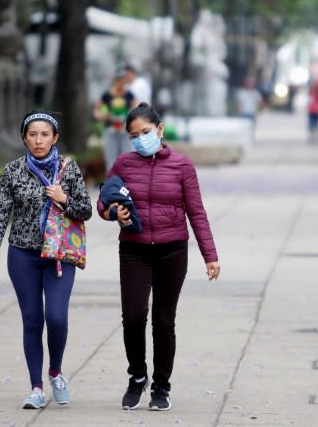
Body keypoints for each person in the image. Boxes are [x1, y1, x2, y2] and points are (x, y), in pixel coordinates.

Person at [97, 102, 221, 412]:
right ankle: (137, 376)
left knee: (164, 322)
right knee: (134, 317)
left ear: (160, 130)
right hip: (134, 249)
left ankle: (161, 387)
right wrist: (113, 211)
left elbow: (196, 212)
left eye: (146, 132)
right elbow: (102, 202)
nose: (140, 139)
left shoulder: (182, 166)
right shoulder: (124, 164)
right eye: (134, 135)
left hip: (172, 250)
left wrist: (210, 255)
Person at [0, 111, 92, 409]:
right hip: (23, 255)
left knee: (56, 317)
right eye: (32, 134)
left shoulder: (68, 169)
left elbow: (86, 210)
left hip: (58, 256)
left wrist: (64, 198)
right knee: (32, 321)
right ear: (24, 138)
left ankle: (55, 372)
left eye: (44, 134)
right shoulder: (13, 171)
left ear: (55, 138)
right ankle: (36, 387)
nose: (38, 140)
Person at [94, 71, 138, 172]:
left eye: (124, 81)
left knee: (127, 159)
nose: (122, 83)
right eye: (120, 80)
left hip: (125, 131)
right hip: (110, 130)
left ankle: (125, 184)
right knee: (111, 161)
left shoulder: (129, 95)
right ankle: (112, 183)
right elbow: (96, 111)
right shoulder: (107, 94)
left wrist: (131, 118)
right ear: (115, 81)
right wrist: (103, 116)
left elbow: (137, 109)